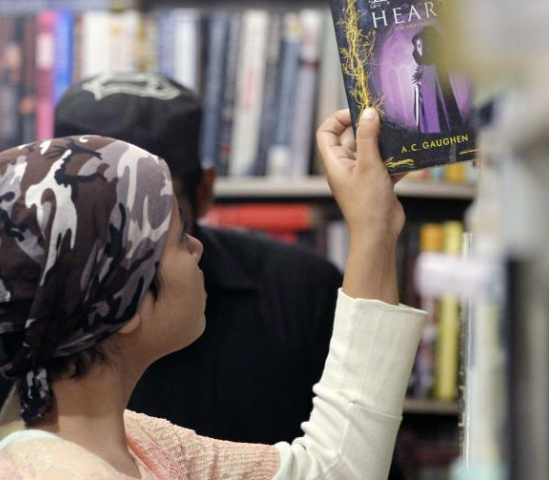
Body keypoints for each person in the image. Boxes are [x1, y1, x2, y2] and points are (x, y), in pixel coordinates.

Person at [0, 108, 424, 479]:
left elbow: (331, 471)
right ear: (120, 304)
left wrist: (375, 228)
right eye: (179, 236)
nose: (198, 246)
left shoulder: (138, 440)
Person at [0, 72, 344, 446]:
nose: (125, 237)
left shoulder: (301, 291)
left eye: (154, 211)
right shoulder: (14, 314)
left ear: (205, 190)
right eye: (96, 216)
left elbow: (338, 463)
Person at [410, 26, 465, 134]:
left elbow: (435, 101)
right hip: (426, 113)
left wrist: (420, 83)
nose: (422, 49)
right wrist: (418, 85)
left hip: (435, 119)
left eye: (425, 44)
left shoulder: (435, 68)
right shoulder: (422, 67)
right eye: (419, 46)